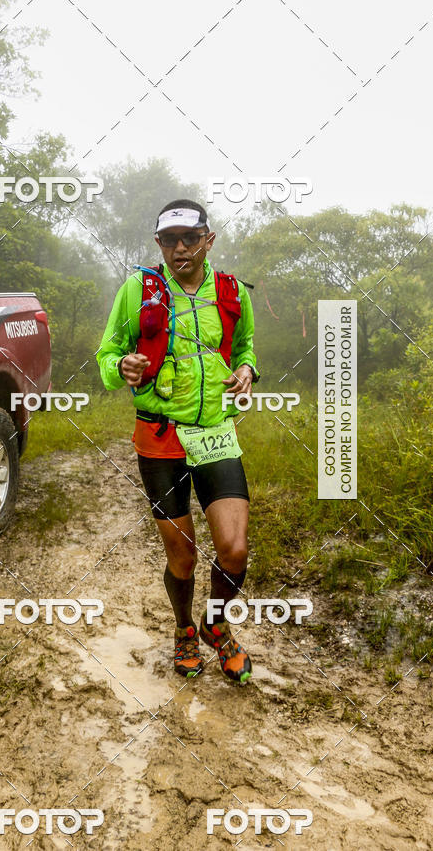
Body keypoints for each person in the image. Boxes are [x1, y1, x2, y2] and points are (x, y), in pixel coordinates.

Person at [97, 199, 259, 685]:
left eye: (191, 237)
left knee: (234, 549)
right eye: (170, 240)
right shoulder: (138, 290)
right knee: (183, 556)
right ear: (159, 244)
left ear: (209, 239)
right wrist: (120, 367)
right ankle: (184, 629)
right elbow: (108, 354)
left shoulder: (231, 291)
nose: (181, 248)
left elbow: (246, 344)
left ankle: (215, 623)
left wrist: (249, 369)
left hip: (215, 435)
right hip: (160, 439)